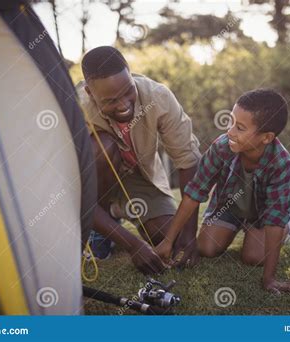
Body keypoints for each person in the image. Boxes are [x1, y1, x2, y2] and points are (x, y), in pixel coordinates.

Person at [155, 88, 290, 294]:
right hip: (229, 207)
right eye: (231, 122)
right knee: (206, 248)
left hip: (262, 213)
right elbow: (193, 193)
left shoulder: (281, 162)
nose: (230, 131)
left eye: (240, 128)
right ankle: (241, 225)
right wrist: (168, 241)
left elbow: (274, 221)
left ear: (266, 138)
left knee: (253, 257)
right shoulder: (222, 147)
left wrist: (269, 279)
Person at [79, 46, 201, 274]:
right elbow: (75, 192)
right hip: (94, 186)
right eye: (111, 100)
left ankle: (116, 213)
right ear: (89, 92)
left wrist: (188, 235)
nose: (124, 104)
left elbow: (188, 162)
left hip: (140, 177)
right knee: (102, 147)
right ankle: (100, 228)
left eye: (128, 91)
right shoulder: (74, 110)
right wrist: (133, 245)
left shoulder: (158, 96)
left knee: (168, 236)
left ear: (131, 74)